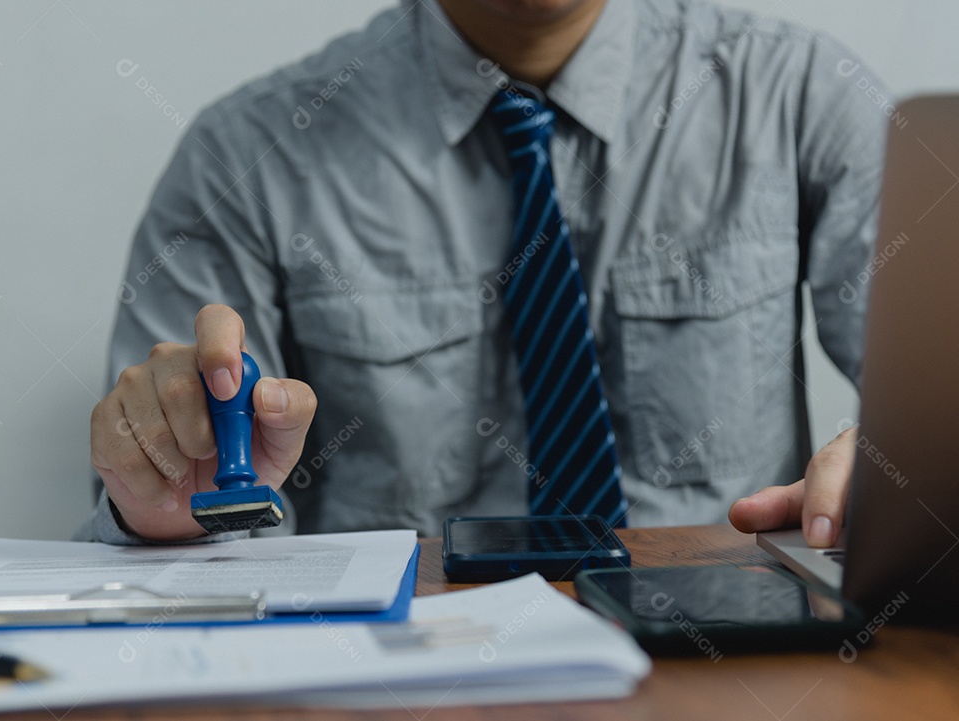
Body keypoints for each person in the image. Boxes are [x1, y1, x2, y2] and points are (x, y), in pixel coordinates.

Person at [79, 0, 887, 547]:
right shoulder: (245, 157)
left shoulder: (802, 97)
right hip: (398, 681)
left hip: (727, 669)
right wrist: (167, 513)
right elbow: (183, 531)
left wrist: (902, 464)